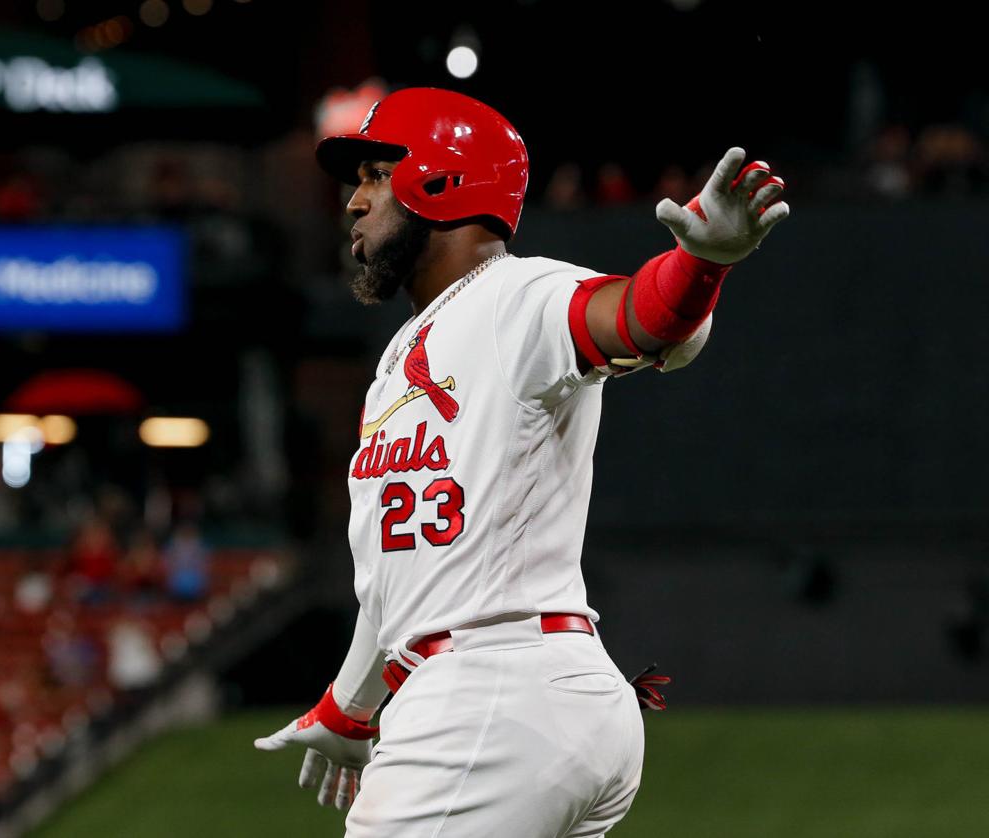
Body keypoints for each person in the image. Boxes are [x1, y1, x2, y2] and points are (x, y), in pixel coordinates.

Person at [255, 87, 789, 837]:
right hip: (529, 692)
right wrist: (347, 710)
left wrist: (700, 266)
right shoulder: (401, 360)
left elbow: (639, 319)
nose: (354, 201)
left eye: (377, 173)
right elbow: (404, 589)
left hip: (489, 693)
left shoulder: (515, 294)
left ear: (440, 180)